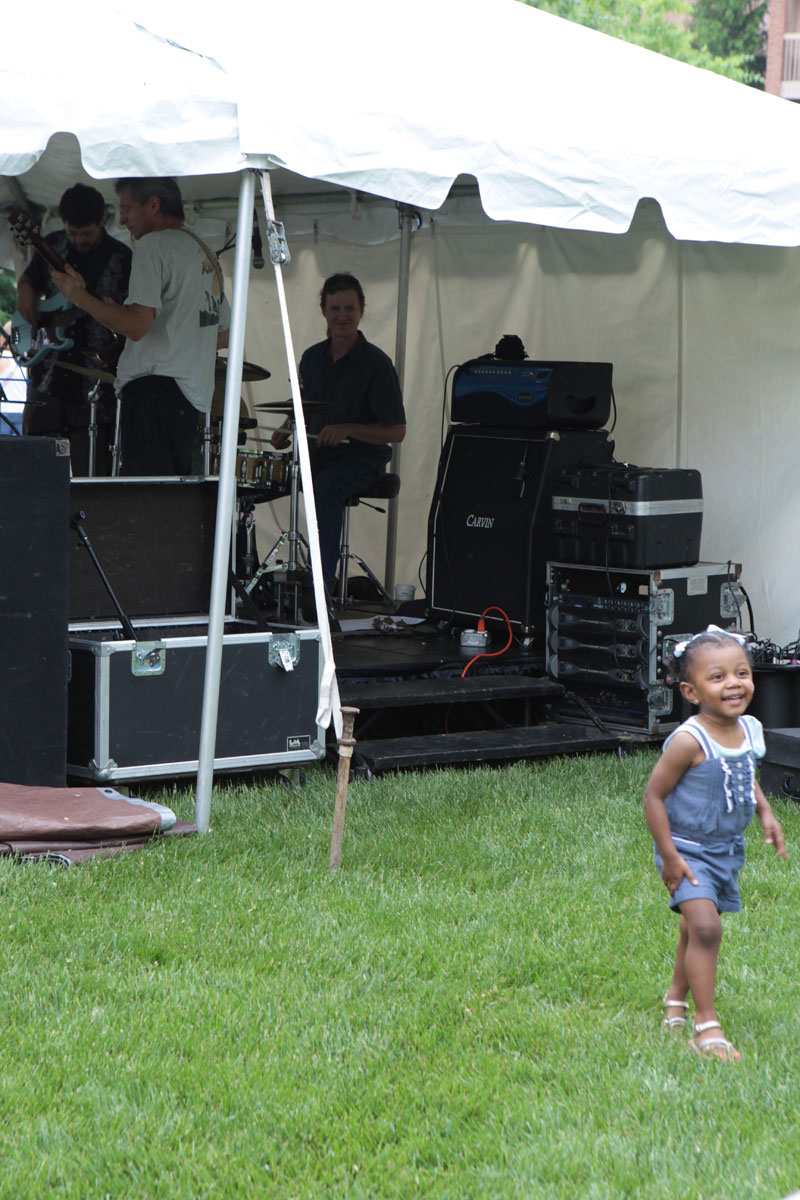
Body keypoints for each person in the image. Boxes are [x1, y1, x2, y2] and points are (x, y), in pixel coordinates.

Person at [643, 625, 787, 1062]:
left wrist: (765, 812)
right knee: (707, 928)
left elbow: (745, 777)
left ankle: (675, 1002)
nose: (734, 684)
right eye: (718, 677)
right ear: (691, 690)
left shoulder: (748, 729)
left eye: (741, 673)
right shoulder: (689, 741)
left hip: (726, 851)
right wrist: (669, 857)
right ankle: (708, 1028)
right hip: (686, 850)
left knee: (693, 929)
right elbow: (653, 796)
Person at [51, 176, 229, 475]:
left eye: (126, 209)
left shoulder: (152, 245)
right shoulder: (203, 250)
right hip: (191, 399)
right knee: (170, 503)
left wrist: (79, 296)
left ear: (153, 205)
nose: (121, 220)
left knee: (146, 505)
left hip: (153, 395)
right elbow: (223, 334)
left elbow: (136, 327)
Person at [272, 273, 405, 595]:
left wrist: (350, 429)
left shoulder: (377, 363)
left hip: (362, 460)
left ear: (361, 311)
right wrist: (286, 427)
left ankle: (319, 587)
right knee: (261, 481)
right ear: (323, 311)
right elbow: (304, 407)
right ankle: (243, 578)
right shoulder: (310, 358)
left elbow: (397, 431)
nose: (342, 316)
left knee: (327, 487)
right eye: (335, 309)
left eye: (349, 308)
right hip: (318, 457)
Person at [15, 183, 132, 475]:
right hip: (47, 377)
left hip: (95, 387)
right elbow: (29, 280)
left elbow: (133, 317)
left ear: (102, 221)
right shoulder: (51, 246)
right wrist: (25, 291)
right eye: (72, 233)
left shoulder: (122, 259)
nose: (79, 240)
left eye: (87, 234)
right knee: (35, 471)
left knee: (89, 474)